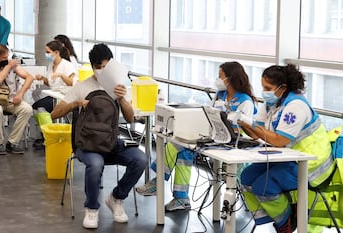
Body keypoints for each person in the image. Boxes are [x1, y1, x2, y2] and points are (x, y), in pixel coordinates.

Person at [136, 61, 257, 211]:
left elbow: (244, 129)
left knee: (176, 145)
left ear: (230, 78)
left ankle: (160, 182)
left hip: (233, 143)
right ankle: (180, 198)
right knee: (183, 148)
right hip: (214, 136)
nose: (218, 79)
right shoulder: (221, 95)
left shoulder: (245, 101)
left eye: (220, 76)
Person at [51, 43, 148, 229]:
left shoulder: (117, 87)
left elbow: (130, 119)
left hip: (111, 143)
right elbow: (55, 113)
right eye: (98, 67)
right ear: (93, 67)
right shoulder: (83, 86)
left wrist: (122, 98)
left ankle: (116, 198)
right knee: (96, 164)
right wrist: (76, 103)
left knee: (140, 159)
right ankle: (92, 208)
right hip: (87, 144)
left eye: (105, 66)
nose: (102, 71)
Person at [239, 64, 335, 233]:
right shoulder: (272, 103)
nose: (264, 91)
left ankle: (285, 223)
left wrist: (252, 124)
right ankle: (279, 217)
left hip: (311, 164)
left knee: (264, 186)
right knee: (246, 176)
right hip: (287, 157)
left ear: (282, 88)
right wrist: (240, 121)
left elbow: (279, 140)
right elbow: (256, 134)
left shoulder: (296, 106)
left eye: (267, 88)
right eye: (263, 87)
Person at [0, 44, 33, 155]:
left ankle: (12, 142)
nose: (6, 60)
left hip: (10, 99)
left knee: (27, 109)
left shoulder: (9, 61)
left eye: (7, 57)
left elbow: (29, 77)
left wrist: (20, 94)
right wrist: (8, 66)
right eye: (3, 58)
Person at [31, 40, 77, 149]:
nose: (46, 54)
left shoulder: (67, 65)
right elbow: (50, 82)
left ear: (56, 52)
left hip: (65, 97)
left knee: (40, 107)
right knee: (36, 108)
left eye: (48, 52)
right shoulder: (51, 65)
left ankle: (50, 137)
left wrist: (61, 75)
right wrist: (42, 78)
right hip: (53, 95)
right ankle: (48, 134)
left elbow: (71, 82)